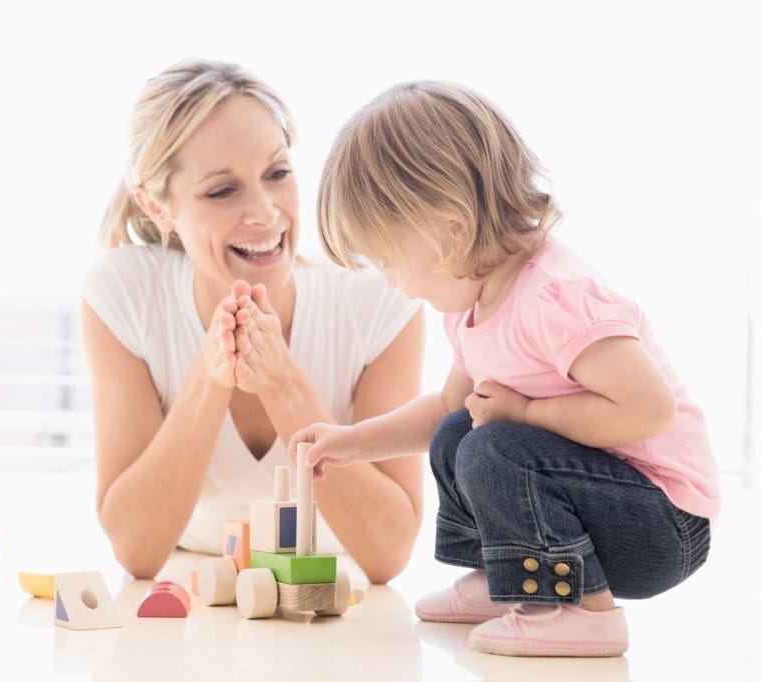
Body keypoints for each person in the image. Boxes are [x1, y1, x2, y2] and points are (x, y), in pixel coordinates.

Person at [290, 81, 718, 657]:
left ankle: (586, 615)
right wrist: (352, 442)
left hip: (664, 524)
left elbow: (648, 409)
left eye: (389, 260)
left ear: (450, 231)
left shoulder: (554, 297)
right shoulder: (470, 309)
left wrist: (525, 412)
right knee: (460, 431)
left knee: (489, 446)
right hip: (593, 506)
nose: (392, 281)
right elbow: (447, 408)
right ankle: (505, 579)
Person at [80, 59, 425, 583]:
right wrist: (211, 375)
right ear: (157, 206)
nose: (265, 213)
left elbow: (387, 554)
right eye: (222, 191)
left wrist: (283, 385)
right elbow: (138, 550)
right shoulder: (125, 294)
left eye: (277, 173)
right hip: (197, 610)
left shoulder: (377, 297)